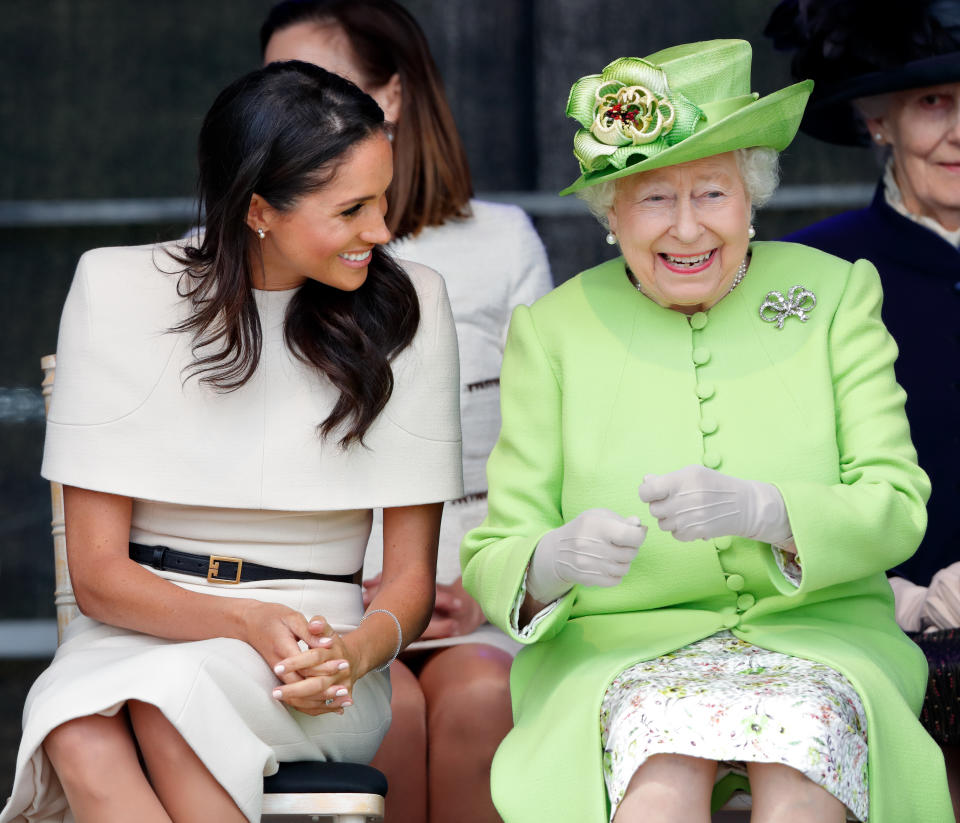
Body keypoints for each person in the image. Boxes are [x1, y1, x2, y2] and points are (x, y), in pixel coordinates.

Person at [461, 39, 954, 823]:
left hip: (817, 640)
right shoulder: (552, 331)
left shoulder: (833, 295)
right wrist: (553, 559)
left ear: (750, 199)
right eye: (655, 198)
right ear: (610, 213)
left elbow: (896, 503)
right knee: (658, 787)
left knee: (802, 772)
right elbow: (495, 551)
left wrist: (770, 512)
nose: (687, 230)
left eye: (712, 194)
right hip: (619, 652)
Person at [0, 60, 462, 823]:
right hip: (133, 625)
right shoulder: (116, 290)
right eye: (351, 210)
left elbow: (408, 583)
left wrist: (354, 653)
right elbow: (98, 577)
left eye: (384, 200)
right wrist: (242, 620)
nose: (381, 232)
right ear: (259, 210)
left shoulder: (412, 306)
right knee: (77, 731)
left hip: (319, 645)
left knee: (163, 707)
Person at [260, 3, 553, 821]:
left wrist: (486, 588)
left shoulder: (502, 242)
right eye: (273, 91)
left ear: (389, 97)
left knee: (476, 700)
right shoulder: (242, 249)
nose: (292, 118)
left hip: (476, 593)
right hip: (312, 603)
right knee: (387, 715)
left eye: (319, 88)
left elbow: (550, 443)